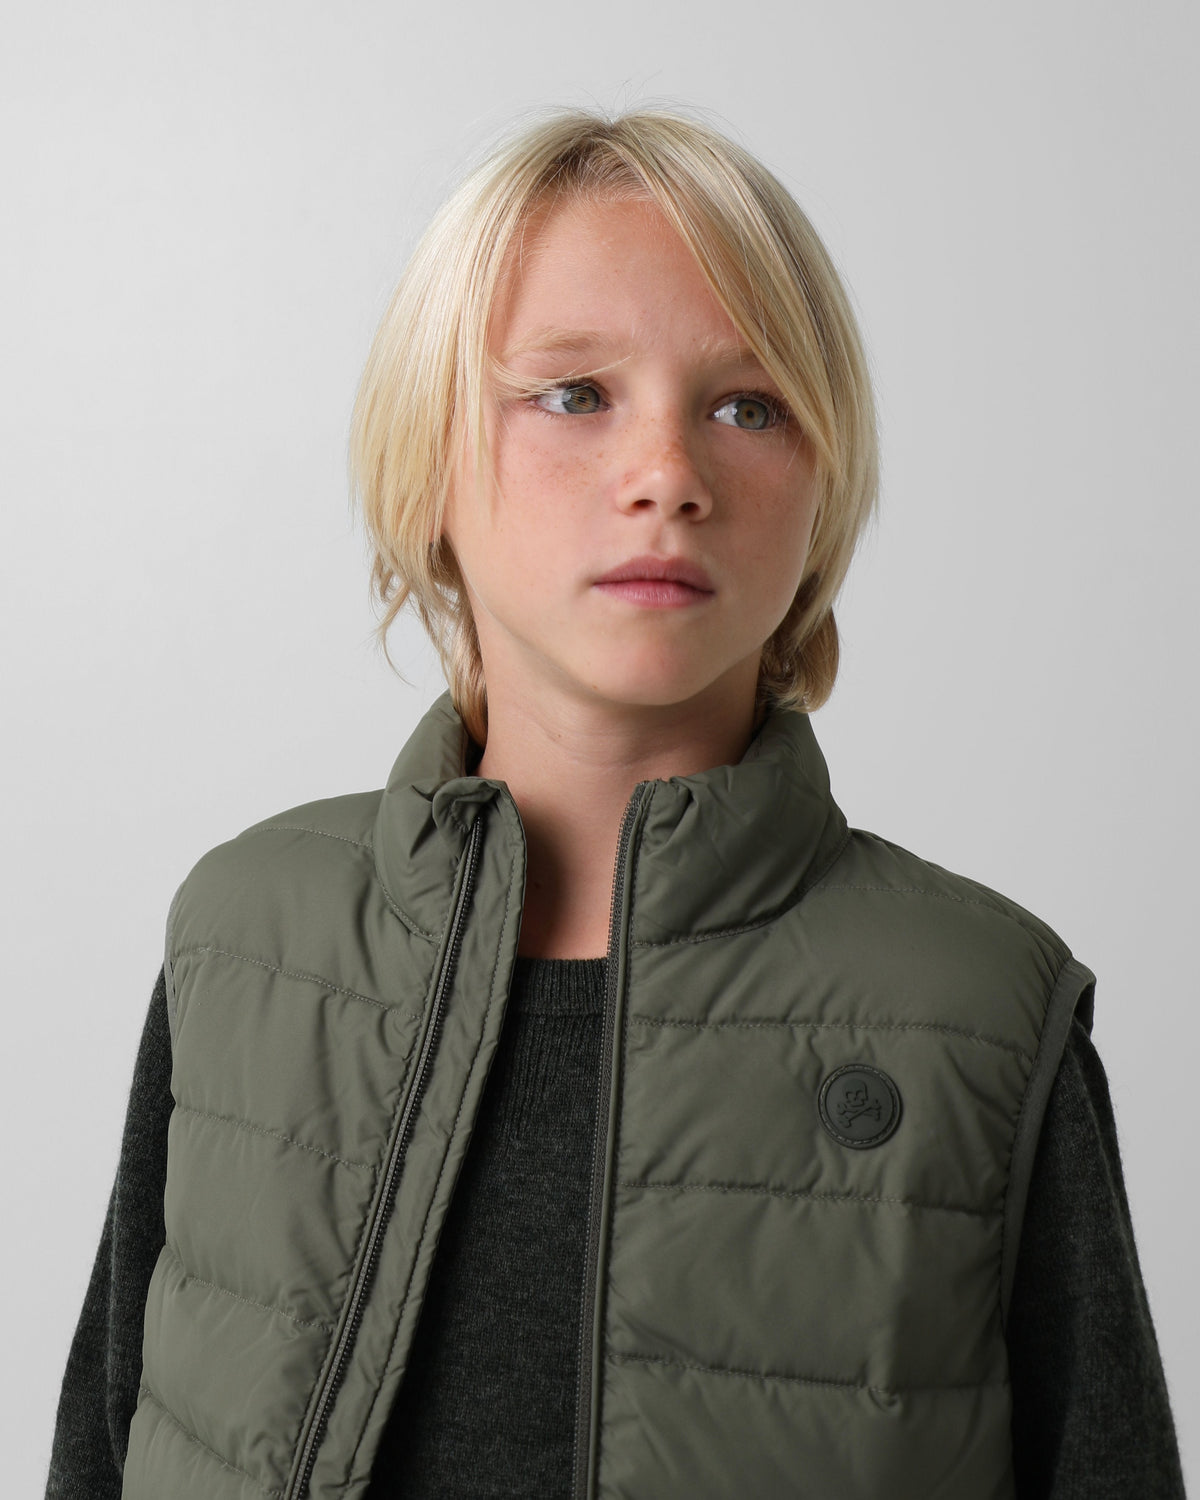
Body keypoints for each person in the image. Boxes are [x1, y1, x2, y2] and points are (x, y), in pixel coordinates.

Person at [46, 108, 1185, 1500]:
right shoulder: (246, 944)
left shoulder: (982, 1014)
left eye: (748, 405)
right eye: (575, 394)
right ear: (431, 458)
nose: (668, 477)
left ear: (822, 485)